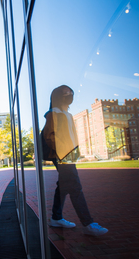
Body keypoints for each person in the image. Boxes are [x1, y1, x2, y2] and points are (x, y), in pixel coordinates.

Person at [42, 85, 108, 236]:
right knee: (75, 187)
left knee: (63, 187)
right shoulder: (53, 113)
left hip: (70, 155)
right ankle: (88, 223)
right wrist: (62, 152)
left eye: (70, 93)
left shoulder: (68, 115)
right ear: (58, 96)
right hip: (62, 156)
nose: (69, 95)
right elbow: (49, 136)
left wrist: (75, 151)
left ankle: (56, 218)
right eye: (65, 93)